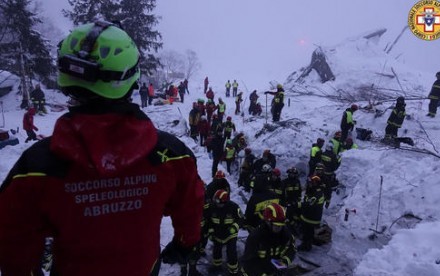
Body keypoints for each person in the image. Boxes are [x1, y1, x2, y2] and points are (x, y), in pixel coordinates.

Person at [0, 21, 205, 276]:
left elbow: (13, 240)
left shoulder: (35, 168)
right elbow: (191, 205)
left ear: (66, 78)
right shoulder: (172, 156)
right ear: (131, 80)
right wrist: (185, 242)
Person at [241, 203, 296, 276]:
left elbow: (291, 249)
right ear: (267, 222)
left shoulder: (285, 234)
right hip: (254, 272)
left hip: (272, 269)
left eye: (281, 225)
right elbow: (249, 262)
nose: (279, 228)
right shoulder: (255, 237)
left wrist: (284, 262)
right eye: (276, 225)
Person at [202, 190, 244, 275]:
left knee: (231, 252)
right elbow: (208, 221)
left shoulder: (234, 207)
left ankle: (233, 270)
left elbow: (241, 219)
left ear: (225, 202)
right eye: (216, 202)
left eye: (219, 203)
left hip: (230, 235)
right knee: (216, 250)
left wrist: (234, 227)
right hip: (217, 234)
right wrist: (210, 232)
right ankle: (217, 266)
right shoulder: (212, 207)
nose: (217, 205)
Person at [297, 175, 325, 251]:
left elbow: (309, 203)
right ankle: (307, 243)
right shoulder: (311, 190)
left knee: (308, 232)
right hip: (307, 216)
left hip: (312, 218)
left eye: (311, 182)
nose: (309, 184)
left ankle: (306, 246)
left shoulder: (317, 193)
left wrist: (297, 204)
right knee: (306, 231)